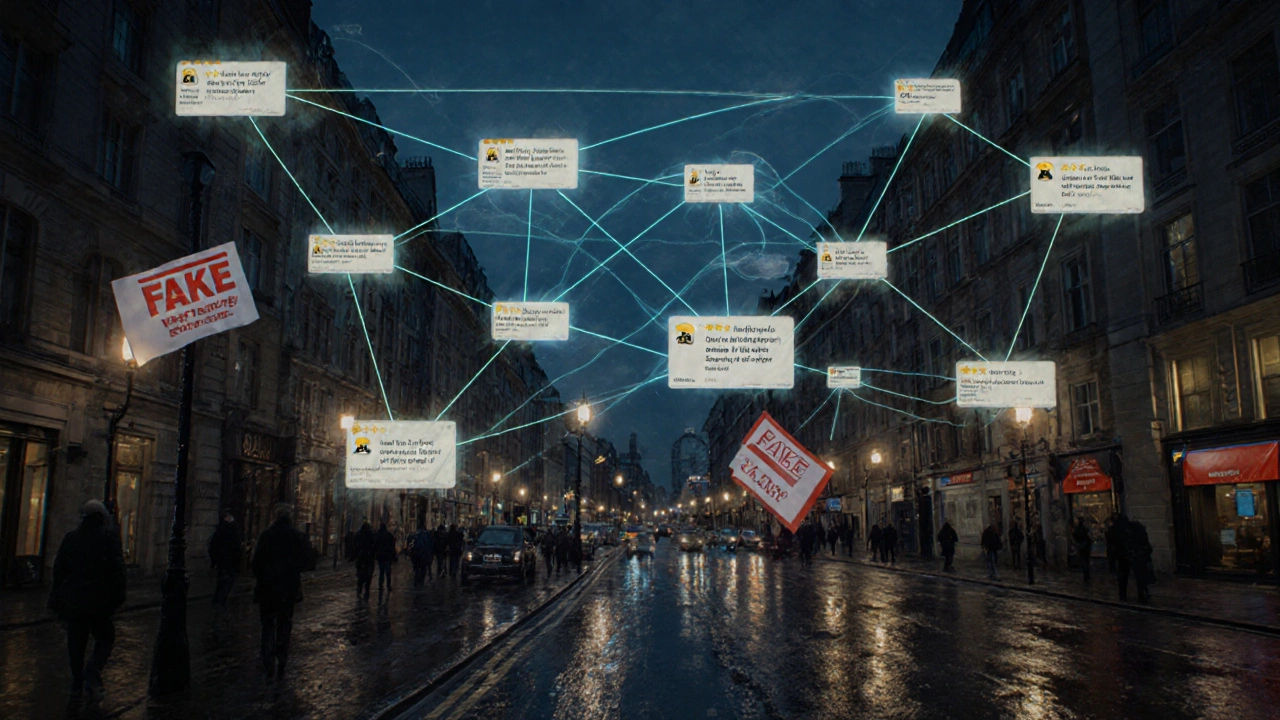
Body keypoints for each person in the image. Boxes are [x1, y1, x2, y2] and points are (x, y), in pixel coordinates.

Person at [48, 500, 126, 698]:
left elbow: (59, 571)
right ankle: (92, 672)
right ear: (102, 518)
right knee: (105, 637)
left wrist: (57, 598)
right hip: (99, 601)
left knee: (76, 642)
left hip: (74, 600)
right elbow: (117, 572)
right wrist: (117, 598)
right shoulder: (108, 539)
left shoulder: (71, 538)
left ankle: (77, 680)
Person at [251, 503, 311, 680]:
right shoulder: (296, 536)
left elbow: (255, 563)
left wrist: (264, 575)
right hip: (287, 589)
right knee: (284, 624)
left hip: (267, 588)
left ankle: (267, 658)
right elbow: (306, 561)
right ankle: (282, 656)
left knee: (267, 624)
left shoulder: (266, 535)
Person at [208, 510, 242, 612]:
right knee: (228, 580)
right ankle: (220, 600)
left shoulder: (219, 530)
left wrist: (214, 560)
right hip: (229, 559)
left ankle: (217, 599)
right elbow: (236, 546)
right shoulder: (232, 529)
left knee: (221, 579)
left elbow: (212, 546)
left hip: (221, 559)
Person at [1116, 515, 1154, 603]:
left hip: (1129, 556)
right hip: (1136, 556)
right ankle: (1142, 594)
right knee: (1139, 576)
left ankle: (1124, 595)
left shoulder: (1122, 531)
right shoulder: (1137, 529)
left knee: (1124, 576)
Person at [353, 521, 376, 599]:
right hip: (369, 558)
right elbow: (374, 545)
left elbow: (354, 546)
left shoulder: (358, 534)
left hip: (360, 558)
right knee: (368, 575)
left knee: (360, 574)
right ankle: (366, 589)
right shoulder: (371, 534)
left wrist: (355, 556)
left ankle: (359, 588)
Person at [374, 523, 397, 595]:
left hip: (381, 556)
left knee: (381, 572)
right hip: (387, 556)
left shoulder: (378, 535)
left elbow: (375, 546)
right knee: (388, 572)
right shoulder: (389, 535)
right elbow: (392, 546)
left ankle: (381, 585)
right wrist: (394, 556)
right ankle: (388, 585)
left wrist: (375, 555)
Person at [1072, 517, 1093, 582]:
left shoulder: (1077, 529)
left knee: (1083, 561)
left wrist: (1077, 544)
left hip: (1081, 547)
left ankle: (1086, 575)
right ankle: (1087, 575)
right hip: (1085, 547)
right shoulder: (1085, 529)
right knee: (1086, 561)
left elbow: (1074, 538)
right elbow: (1090, 538)